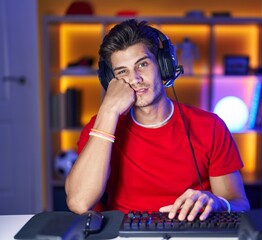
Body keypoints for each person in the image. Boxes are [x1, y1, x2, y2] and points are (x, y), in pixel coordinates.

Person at [65, 19, 250, 221]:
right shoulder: (100, 125)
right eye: (122, 72)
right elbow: (79, 202)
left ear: (163, 65)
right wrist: (109, 110)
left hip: (192, 231)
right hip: (126, 234)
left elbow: (239, 204)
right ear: (111, 81)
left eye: (142, 64)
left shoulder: (210, 126)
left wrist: (219, 203)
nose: (135, 79)